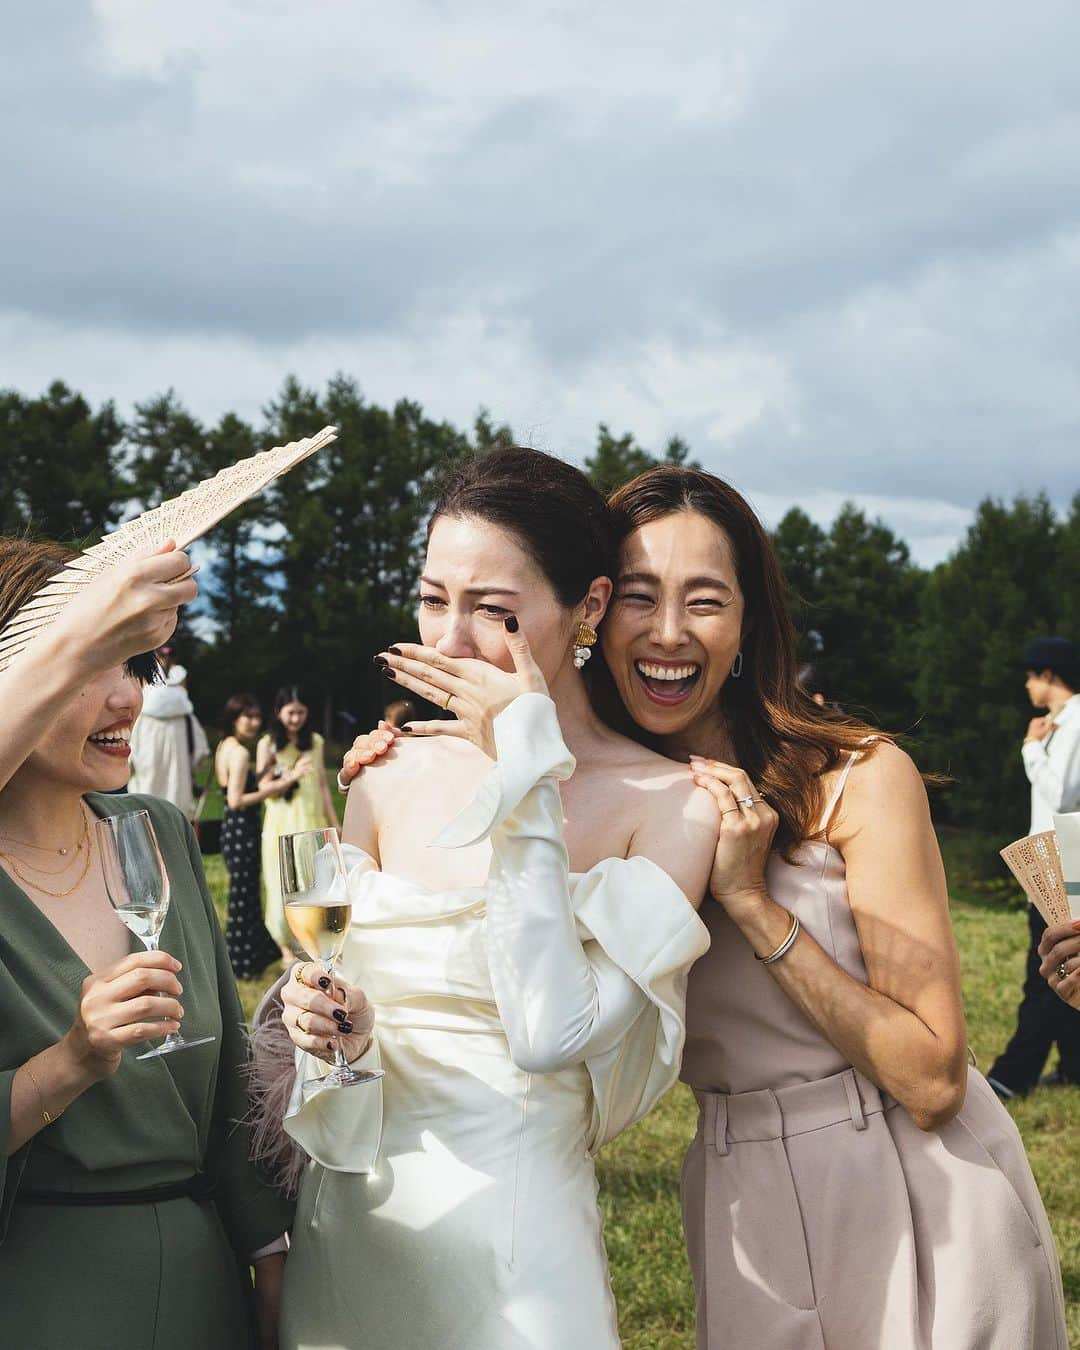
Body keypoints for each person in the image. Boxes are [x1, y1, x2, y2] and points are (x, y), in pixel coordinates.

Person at [342, 466, 1067, 1349]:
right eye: (641, 597)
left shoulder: (859, 778)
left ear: (750, 618)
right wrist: (417, 759)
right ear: (593, 613)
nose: (669, 633)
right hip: (736, 1185)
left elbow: (932, 1078)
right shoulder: (604, 790)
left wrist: (752, 904)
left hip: (914, 1185)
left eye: (707, 601)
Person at [268, 448, 717, 1350]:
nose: (448, 641)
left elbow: (548, 1032)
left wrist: (528, 778)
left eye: (494, 612)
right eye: (434, 599)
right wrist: (332, 1037)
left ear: (587, 606)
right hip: (353, 1232)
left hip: (516, 1269)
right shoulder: (384, 775)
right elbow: (312, 1003)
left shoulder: (672, 806)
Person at [0, 537, 292, 1350]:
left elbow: (230, 1070)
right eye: (91, 664)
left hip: (208, 1288)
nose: (126, 698)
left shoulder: (155, 831)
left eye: (135, 666)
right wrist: (71, 1062)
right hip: (44, 1295)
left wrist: (270, 1255)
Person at [988, 637, 1080, 1097]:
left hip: (1065, 863)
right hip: (1052, 862)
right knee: (1062, 967)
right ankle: (1075, 1068)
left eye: (1030, 675)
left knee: (1046, 969)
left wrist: (1030, 747)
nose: (1026, 684)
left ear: (1048, 675)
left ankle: (1010, 1076)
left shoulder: (1077, 720)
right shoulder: (1059, 725)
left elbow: (1062, 796)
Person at [215, 693, 303, 981]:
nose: (254, 723)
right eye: (247, 717)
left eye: (257, 717)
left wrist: (267, 772)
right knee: (245, 897)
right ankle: (241, 964)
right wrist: (284, 782)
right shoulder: (240, 753)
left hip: (232, 829)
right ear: (234, 718)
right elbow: (237, 799)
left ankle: (246, 959)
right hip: (242, 827)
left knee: (243, 896)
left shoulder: (225, 746)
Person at [257, 687, 337, 962]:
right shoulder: (267, 743)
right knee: (281, 882)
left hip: (312, 818)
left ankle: (312, 939)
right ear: (278, 712)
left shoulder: (315, 741)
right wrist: (291, 776)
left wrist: (333, 821)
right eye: (291, 712)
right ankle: (285, 947)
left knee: (315, 881)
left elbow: (323, 785)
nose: (296, 718)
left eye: (301, 712)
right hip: (282, 822)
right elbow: (264, 787)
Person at [128, 656, 210, 819]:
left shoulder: (141, 717)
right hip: (179, 789)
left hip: (146, 789)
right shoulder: (186, 716)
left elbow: (129, 755)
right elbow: (200, 755)